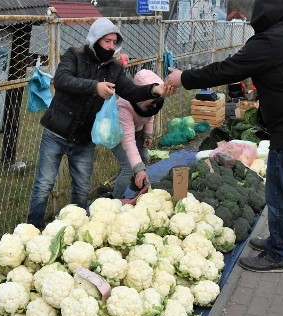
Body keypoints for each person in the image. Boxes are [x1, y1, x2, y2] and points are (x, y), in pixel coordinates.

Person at [164, 0, 283, 273]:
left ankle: (276, 255)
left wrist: (184, 77)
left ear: (262, 17)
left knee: (281, 195)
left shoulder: (269, 41)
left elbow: (227, 69)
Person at [27, 18, 173, 228]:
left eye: (115, 42)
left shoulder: (114, 68)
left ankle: (75, 230)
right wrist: (94, 86)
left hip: (85, 138)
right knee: (43, 185)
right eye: (107, 41)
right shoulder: (74, 55)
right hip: (57, 131)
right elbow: (61, 80)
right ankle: (34, 229)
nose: (111, 46)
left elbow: (130, 91)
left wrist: (154, 90)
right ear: (95, 39)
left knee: (82, 188)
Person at [111, 69, 165, 198]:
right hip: (119, 136)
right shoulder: (124, 106)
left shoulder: (155, 102)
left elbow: (149, 116)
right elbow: (128, 140)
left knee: (144, 159)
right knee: (129, 168)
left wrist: (147, 135)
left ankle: (136, 187)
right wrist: (138, 169)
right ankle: (116, 198)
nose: (154, 106)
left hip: (138, 132)